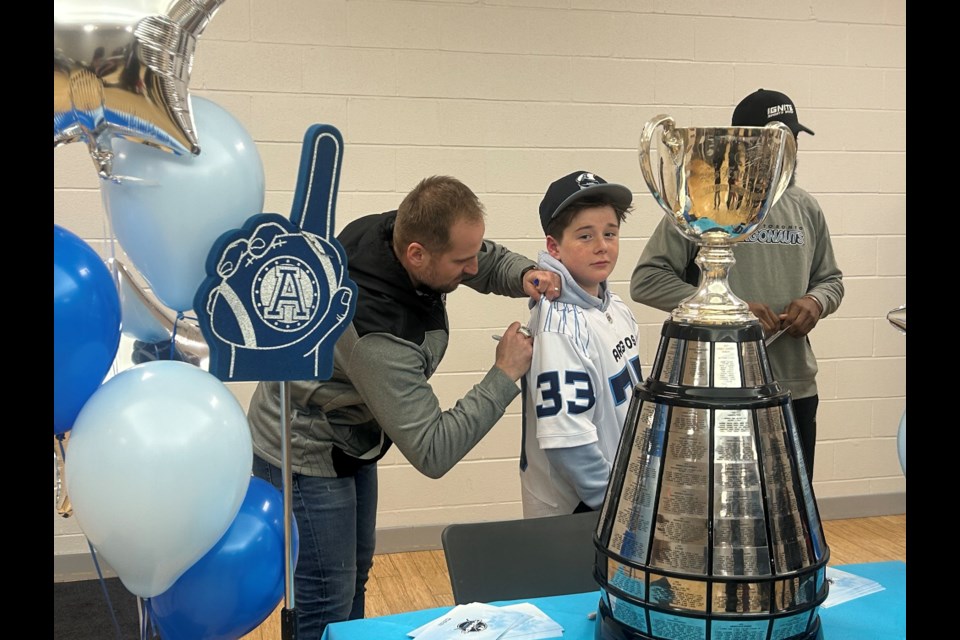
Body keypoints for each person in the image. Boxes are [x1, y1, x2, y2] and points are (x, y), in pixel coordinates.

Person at [246, 175, 563, 637]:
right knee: (325, 600)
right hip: (305, 450)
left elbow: (482, 255)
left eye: (474, 253)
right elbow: (433, 450)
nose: (474, 268)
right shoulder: (377, 334)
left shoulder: (391, 231)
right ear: (416, 254)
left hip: (352, 434)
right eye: (461, 261)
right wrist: (504, 374)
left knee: (353, 578)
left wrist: (520, 274)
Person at [630, 89, 844, 483]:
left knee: (792, 511)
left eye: (793, 139)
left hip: (794, 385)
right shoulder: (701, 202)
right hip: (722, 386)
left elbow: (831, 280)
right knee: (722, 512)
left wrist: (817, 301)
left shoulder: (806, 207)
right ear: (747, 144)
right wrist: (728, 312)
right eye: (778, 140)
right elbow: (646, 280)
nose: (790, 149)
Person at [519, 171, 641, 518]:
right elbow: (568, 443)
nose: (602, 246)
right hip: (584, 507)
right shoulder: (558, 325)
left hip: (621, 490)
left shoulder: (615, 307)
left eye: (610, 233)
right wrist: (615, 505)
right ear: (554, 247)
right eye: (585, 236)